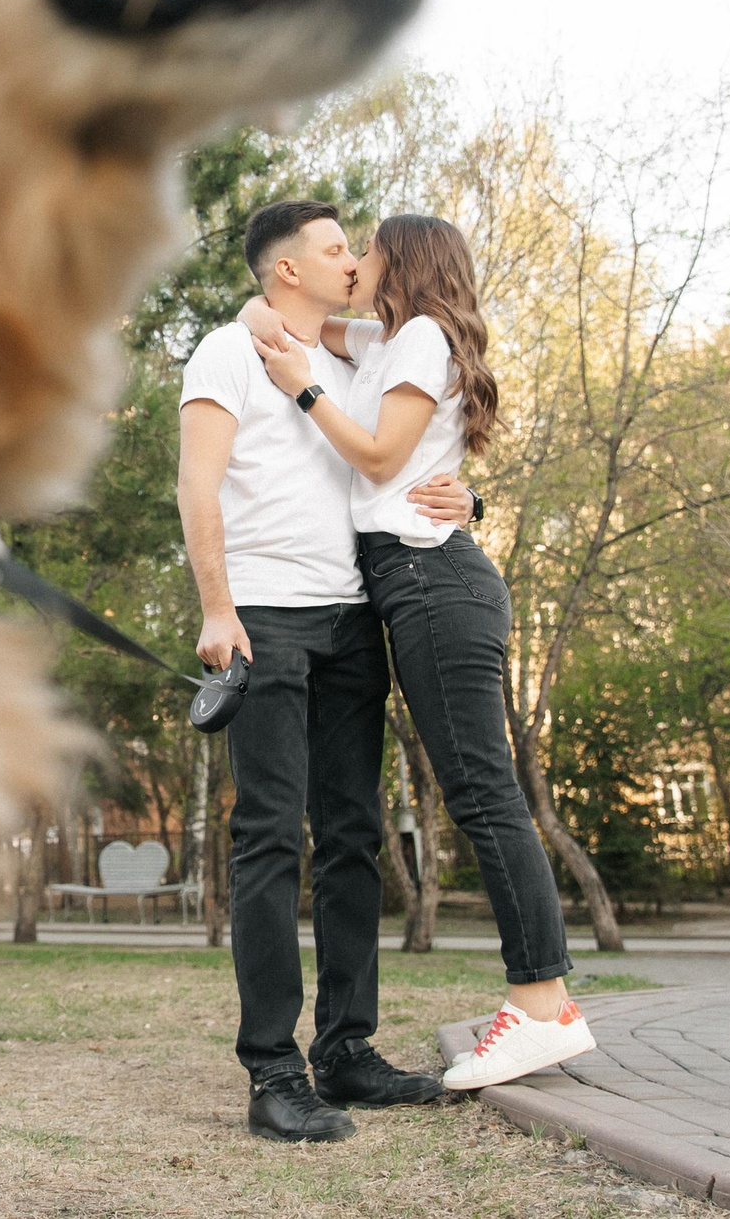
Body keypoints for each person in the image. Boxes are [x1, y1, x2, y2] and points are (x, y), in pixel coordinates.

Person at [242, 212, 593, 1090]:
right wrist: (287, 335)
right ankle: (544, 1000)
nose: (356, 261)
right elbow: (277, 317)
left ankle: (542, 1004)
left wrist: (304, 391)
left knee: (483, 792)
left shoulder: (424, 336)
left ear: (404, 259)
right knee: (478, 791)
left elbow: (380, 456)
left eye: (368, 249)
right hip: (410, 579)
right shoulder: (388, 340)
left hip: (433, 582)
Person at [177, 199, 473, 1143]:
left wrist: (473, 494)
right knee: (270, 836)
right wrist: (217, 607)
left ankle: (347, 1050)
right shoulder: (228, 350)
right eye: (337, 248)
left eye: (356, 246)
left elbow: (409, 446)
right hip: (264, 615)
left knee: (352, 835)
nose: (355, 260)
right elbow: (197, 482)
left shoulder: (355, 355)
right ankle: (272, 1068)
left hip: (351, 620)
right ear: (286, 271)